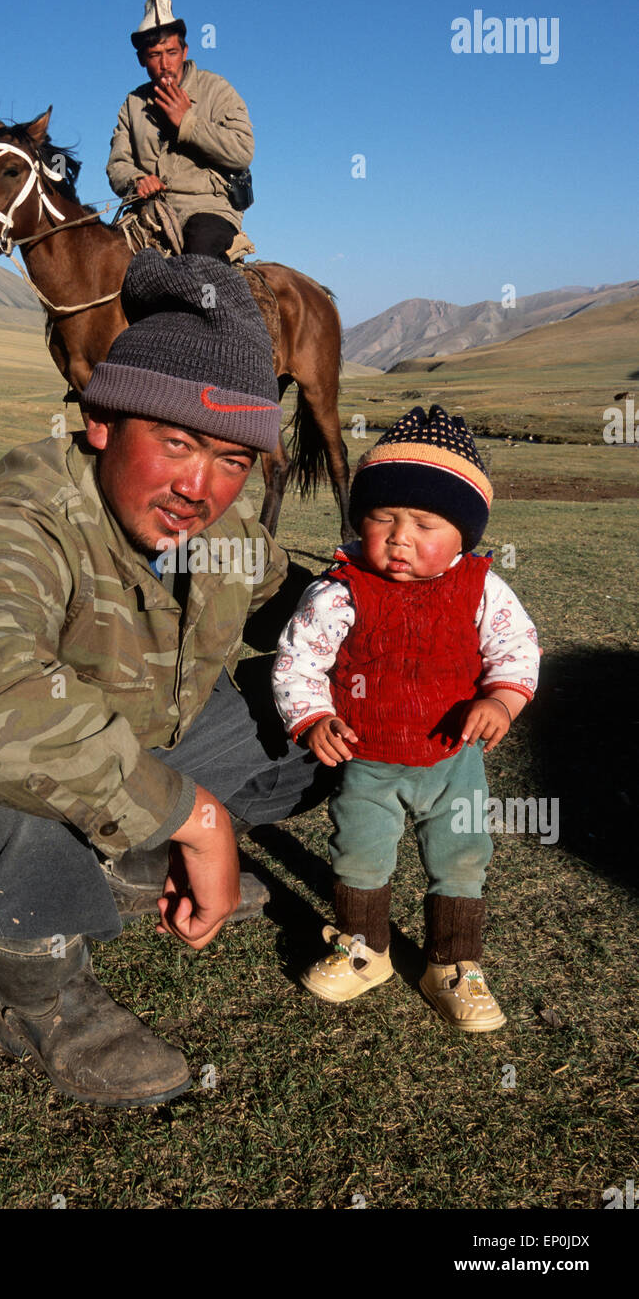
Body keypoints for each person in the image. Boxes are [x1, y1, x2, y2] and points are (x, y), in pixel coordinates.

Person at [0, 250, 328, 1107]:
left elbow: (280, 594)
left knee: (319, 712)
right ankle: (42, 999)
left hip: (127, 745)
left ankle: (125, 855)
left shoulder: (225, 520)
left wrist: (403, 618)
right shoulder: (25, 515)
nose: (199, 486)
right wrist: (196, 816)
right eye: (176, 442)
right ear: (104, 419)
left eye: (230, 459)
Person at [272, 405, 540, 1032]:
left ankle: (453, 963)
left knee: (462, 854)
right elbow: (298, 660)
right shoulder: (340, 589)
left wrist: (502, 700)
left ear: (464, 533)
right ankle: (365, 948)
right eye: (382, 518)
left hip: (454, 759)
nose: (399, 536)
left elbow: (517, 649)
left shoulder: (482, 589)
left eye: (424, 523)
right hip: (367, 757)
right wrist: (312, 717)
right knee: (359, 855)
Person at [107, 0, 254, 263]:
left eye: (171, 53)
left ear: (184, 52)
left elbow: (242, 151)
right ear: (141, 59)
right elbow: (118, 163)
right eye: (154, 55)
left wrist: (187, 123)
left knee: (195, 266)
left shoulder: (216, 90)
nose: (165, 65)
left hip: (208, 208)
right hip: (149, 213)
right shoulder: (132, 104)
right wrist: (136, 180)